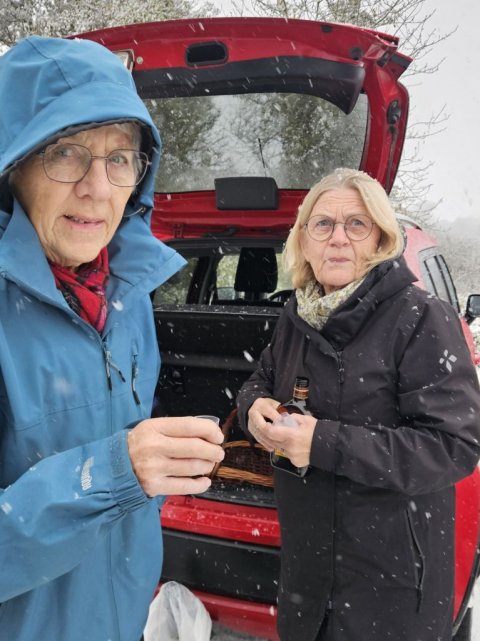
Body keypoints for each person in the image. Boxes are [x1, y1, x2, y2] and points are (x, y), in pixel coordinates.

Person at [0, 36, 225, 641]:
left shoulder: (127, 296)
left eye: (120, 158)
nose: (98, 187)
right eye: (66, 152)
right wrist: (114, 472)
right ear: (14, 167)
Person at [237, 168, 480, 641]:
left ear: (380, 240)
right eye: (322, 224)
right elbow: (260, 379)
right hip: (307, 572)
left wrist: (322, 443)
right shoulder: (296, 315)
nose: (338, 238)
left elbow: (453, 447)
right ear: (303, 241)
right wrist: (253, 408)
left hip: (389, 581)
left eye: (356, 224)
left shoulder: (421, 316)